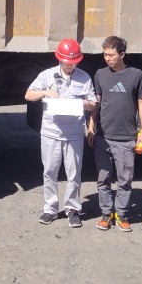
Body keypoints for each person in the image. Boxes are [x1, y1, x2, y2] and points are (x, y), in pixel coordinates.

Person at [25, 38, 95, 228]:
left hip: (74, 134)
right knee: (50, 171)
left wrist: (86, 104)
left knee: (74, 173)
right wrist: (45, 92)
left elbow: (93, 104)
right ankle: (50, 208)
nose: (70, 65)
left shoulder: (84, 78)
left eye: (73, 62)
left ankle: (72, 208)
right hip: (51, 132)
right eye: (66, 62)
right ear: (59, 59)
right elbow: (28, 95)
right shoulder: (47, 76)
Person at [87, 36, 142, 232]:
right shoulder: (100, 74)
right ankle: (106, 214)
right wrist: (91, 126)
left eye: (111, 55)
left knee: (124, 180)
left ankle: (121, 214)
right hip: (102, 137)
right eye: (105, 54)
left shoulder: (136, 75)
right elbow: (97, 103)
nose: (107, 58)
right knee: (103, 179)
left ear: (122, 54)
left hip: (126, 138)